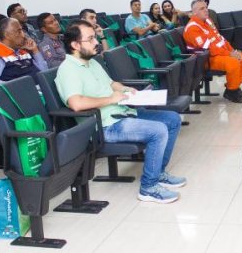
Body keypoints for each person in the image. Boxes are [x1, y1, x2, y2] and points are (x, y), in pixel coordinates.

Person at [55, 21, 186, 203]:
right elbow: (76, 103)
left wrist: (126, 89)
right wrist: (111, 99)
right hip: (105, 125)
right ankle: (148, 187)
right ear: (75, 45)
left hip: (122, 112)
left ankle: (159, 172)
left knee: (172, 119)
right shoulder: (68, 70)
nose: (96, 42)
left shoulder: (91, 62)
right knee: (158, 130)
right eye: (91, 39)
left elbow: (110, 84)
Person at [183, 0, 242, 103]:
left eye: (206, 7)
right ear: (194, 12)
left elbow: (221, 39)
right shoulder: (192, 28)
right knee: (233, 63)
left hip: (219, 54)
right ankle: (233, 90)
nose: (206, 10)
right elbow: (209, 49)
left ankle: (232, 88)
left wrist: (233, 51)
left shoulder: (208, 21)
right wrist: (229, 54)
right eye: (202, 8)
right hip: (206, 59)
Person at [0, 17, 48, 91]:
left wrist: (35, 51)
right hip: (22, 96)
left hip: (42, 90)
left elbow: (44, 72)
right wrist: (11, 85)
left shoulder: (22, 51)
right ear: (7, 35)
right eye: (19, 31)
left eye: (22, 30)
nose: (23, 35)